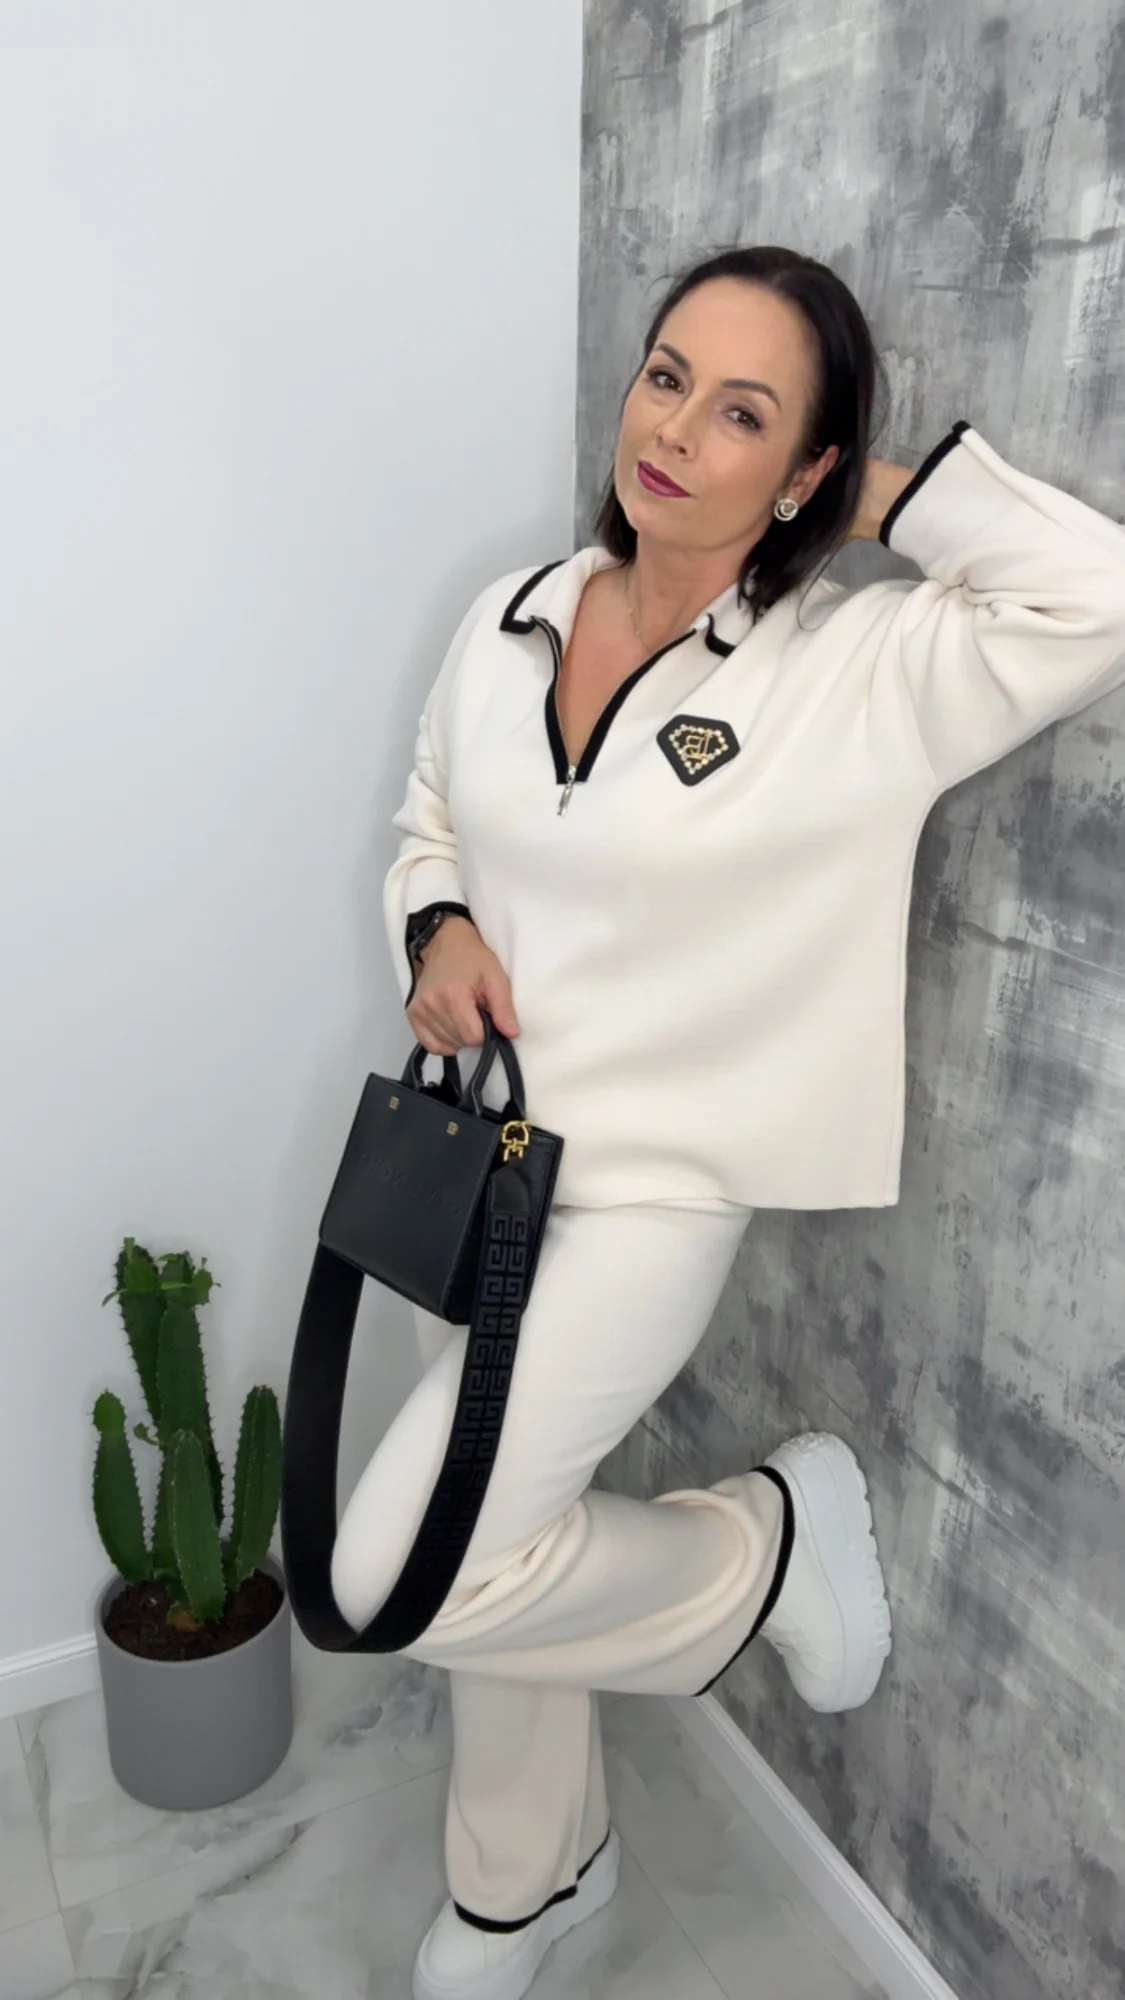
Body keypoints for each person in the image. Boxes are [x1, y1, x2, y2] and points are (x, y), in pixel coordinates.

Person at [330, 245, 1125, 2000]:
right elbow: (433, 814)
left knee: (397, 1574)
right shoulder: (516, 610)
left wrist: (871, 504)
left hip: (650, 1198)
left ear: (808, 465)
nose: (676, 432)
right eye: (668, 375)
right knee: (502, 1522)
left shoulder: (850, 673)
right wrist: (434, 925)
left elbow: (1098, 597)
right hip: (485, 1164)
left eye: (746, 414)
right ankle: (525, 1880)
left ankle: (761, 1548)